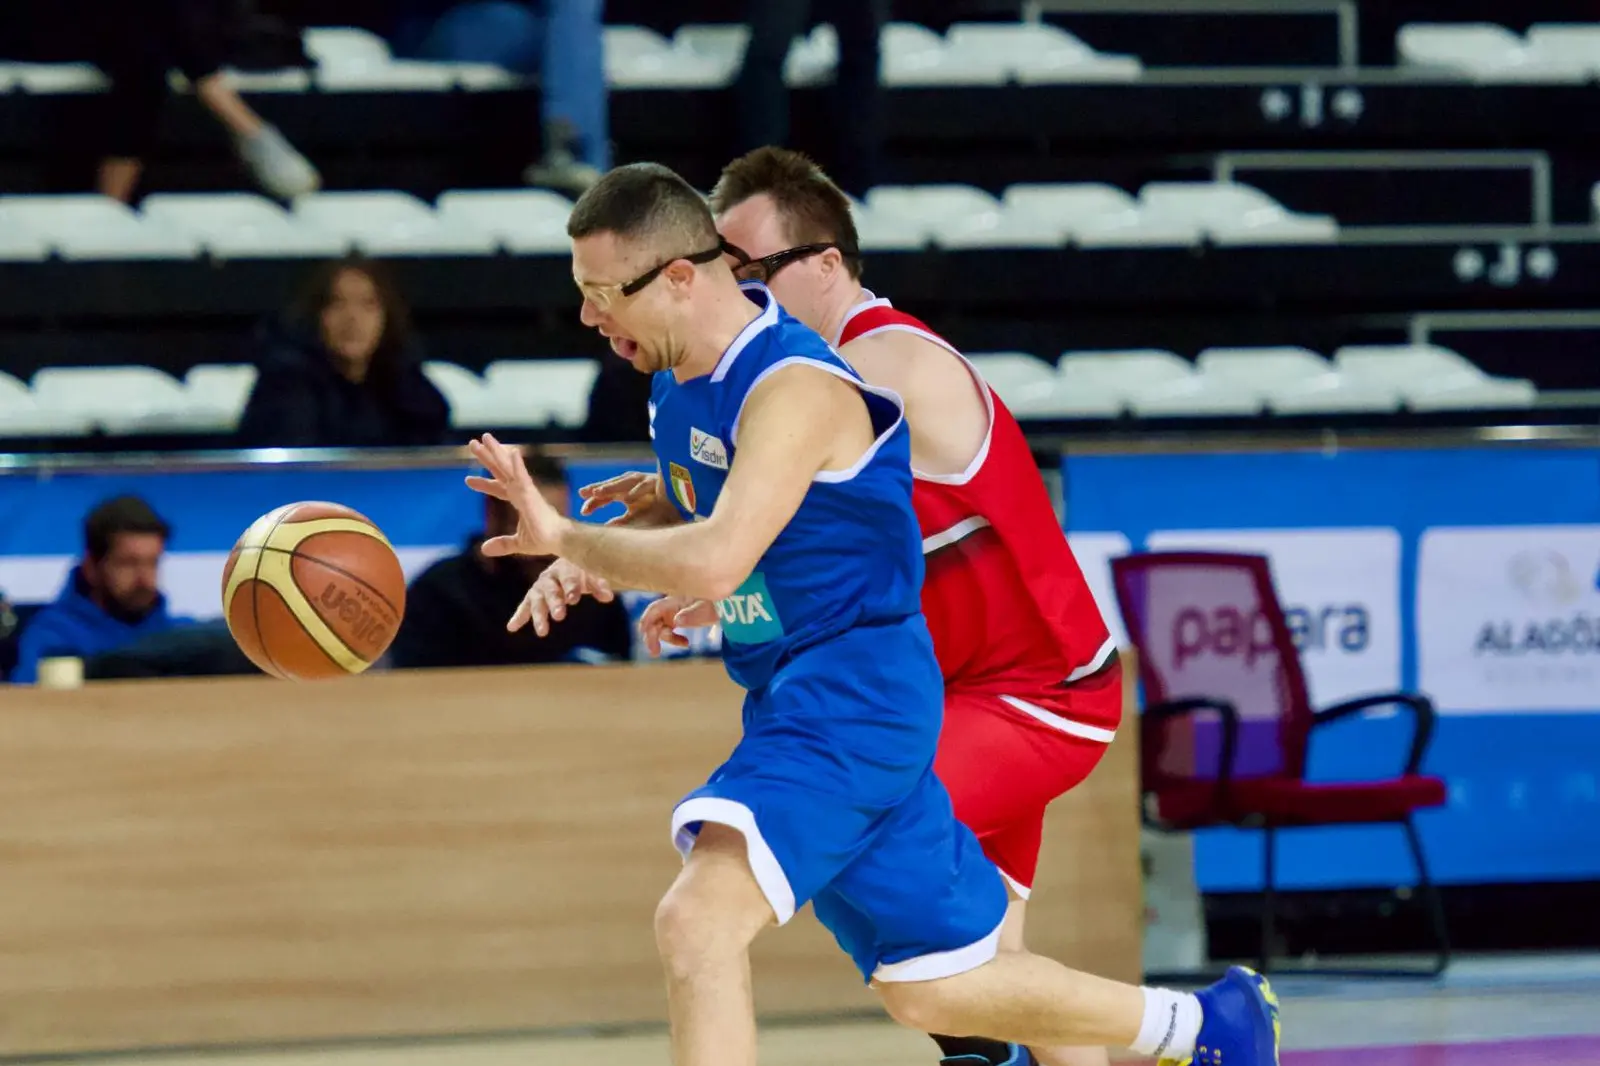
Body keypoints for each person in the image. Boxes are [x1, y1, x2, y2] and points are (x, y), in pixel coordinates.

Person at [463, 161, 1281, 1066]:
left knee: (699, 921)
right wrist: (648, 548)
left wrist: (578, 540)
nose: (588, 316)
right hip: (847, 690)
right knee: (938, 983)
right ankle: (1206, 1025)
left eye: (602, 292)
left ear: (686, 275)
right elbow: (782, 540)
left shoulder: (833, 374)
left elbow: (739, 540)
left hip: (942, 694)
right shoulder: (676, 380)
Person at [388, 452, 632, 669]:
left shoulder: (593, 595)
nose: (546, 547)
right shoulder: (439, 595)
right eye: (531, 529)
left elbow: (621, 675)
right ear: (493, 517)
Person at [386, 0, 608, 194]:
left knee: (573, 16)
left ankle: (570, 155)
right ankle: (577, 155)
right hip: (438, 25)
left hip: (517, 23)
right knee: (570, 26)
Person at [237, 255, 450, 449]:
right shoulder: (285, 386)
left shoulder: (407, 385)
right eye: (337, 303)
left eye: (368, 304)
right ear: (317, 315)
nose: (352, 318)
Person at [11, 496, 188, 685]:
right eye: (128, 563)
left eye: (152, 562)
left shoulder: (184, 638)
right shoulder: (52, 636)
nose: (143, 577)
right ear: (92, 567)